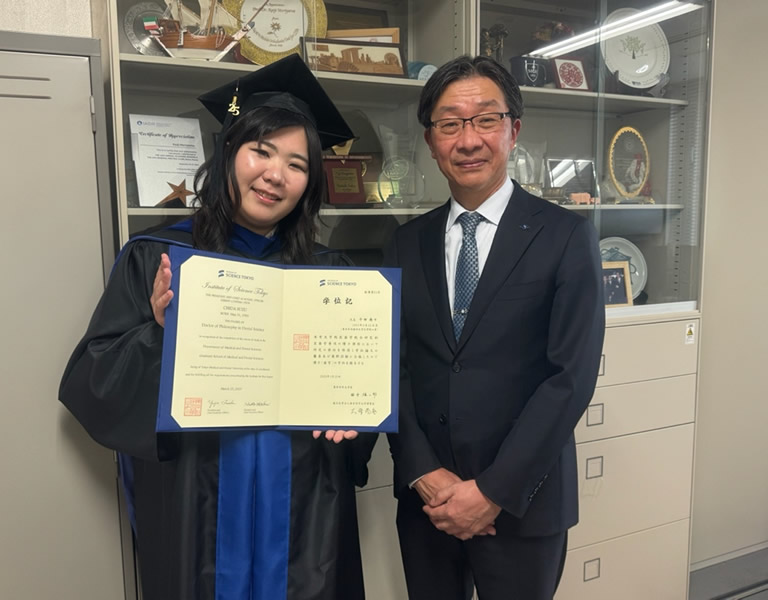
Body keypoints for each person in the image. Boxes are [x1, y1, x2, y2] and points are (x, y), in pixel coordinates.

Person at [59, 55, 376, 600]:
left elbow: (360, 390)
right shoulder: (157, 257)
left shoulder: (332, 275)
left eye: (297, 164)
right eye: (261, 151)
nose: (275, 174)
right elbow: (95, 382)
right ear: (228, 152)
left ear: (309, 183)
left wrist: (354, 417)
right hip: (197, 499)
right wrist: (160, 333)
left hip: (304, 508)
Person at [384, 55, 605, 599]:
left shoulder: (566, 236)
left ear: (514, 130)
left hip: (523, 502)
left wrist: (492, 492)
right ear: (431, 141)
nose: (468, 140)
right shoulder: (405, 243)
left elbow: (569, 378)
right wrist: (421, 472)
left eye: (486, 119)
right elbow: (391, 369)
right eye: (449, 124)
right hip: (428, 503)